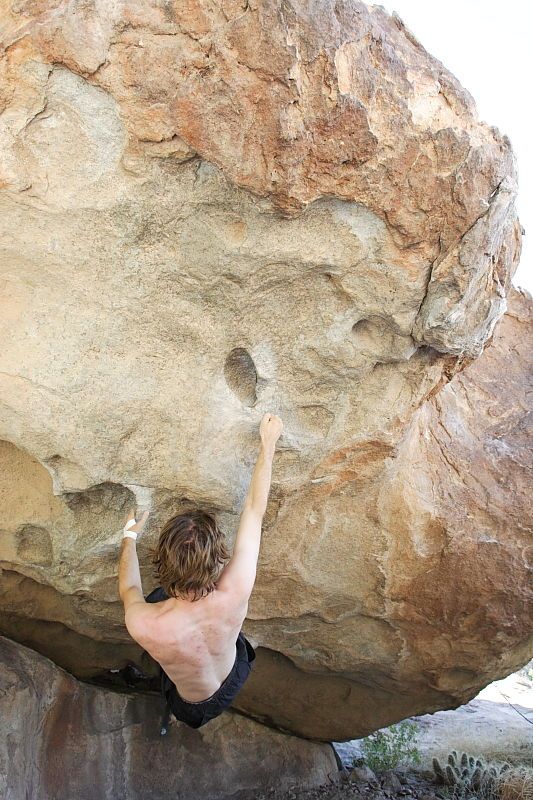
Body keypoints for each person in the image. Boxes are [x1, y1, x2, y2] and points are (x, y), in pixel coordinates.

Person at [118, 412, 283, 731]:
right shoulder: (237, 587)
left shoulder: (144, 624)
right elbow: (254, 511)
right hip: (235, 675)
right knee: (229, 637)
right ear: (218, 560)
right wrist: (269, 443)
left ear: (162, 564)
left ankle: (172, 714)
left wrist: (129, 537)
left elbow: (130, 590)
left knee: (154, 605)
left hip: (190, 705)